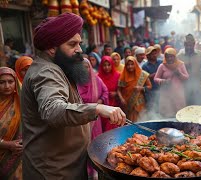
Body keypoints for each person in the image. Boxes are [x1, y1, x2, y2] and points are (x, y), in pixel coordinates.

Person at [21, 13, 126, 179]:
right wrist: (97, 108)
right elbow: (53, 110)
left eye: (80, 43)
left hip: (67, 166)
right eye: (72, 44)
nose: (80, 50)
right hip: (53, 172)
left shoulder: (59, 67)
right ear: (52, 47)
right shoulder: (46, 72)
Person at [76, 58, 109, 179]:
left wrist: (98, 104)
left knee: (95, 144)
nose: (84, 69)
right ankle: (85, 170)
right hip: (80, 120)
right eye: (81, 66)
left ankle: (96, 169)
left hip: (95, 119)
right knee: (83, 145)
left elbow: (105, 92)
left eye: (86, 66)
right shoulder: (74, 82)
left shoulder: (96, 80)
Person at [0, 67, 22, 180]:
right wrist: (7, 144)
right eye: (2, 82)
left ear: (16, 82)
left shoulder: (22, 102)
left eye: (10, 81)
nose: (7, 86)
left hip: (19, 156)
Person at [154, 48, 189, 118]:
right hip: (166, 94)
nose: (169, 59)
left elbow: (186, 77)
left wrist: (179, 74)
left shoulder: (180, 65)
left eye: (171, 56)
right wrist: (163, 81)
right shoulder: (162, 66)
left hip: (178, 94)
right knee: (167, 115)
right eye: (167, 57)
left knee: (179, 115)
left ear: (175, 56)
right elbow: (155, 78)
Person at [118, 56, 152, 122]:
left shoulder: (142, 74)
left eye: (132, 64)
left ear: (135, 64)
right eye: (128, 65)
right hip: (128, 103)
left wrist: (141, 88)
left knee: (142, 119)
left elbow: (150, 86)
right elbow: (119, 89)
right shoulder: (123, 75)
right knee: (131, 121)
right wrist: (121, 98)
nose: (130, 66)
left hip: (140, 102)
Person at [177, 34, 201, 105]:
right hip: (184, 84)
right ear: (184, 44)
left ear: (194, 44)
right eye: (187, 45)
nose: (189, 47)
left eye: (191, 45)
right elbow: (175, 70)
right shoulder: (179, 56)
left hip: (197, 83)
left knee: (197, 103)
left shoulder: (200, 54)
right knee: (187, 104)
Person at [98, 56, 121, 131]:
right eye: (104, 65)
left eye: (109, 65)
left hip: (114, 103)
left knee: (113, 125)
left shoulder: (117, 75)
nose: (107, 67)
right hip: (103, 104)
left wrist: (116, 93)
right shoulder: (97, 77)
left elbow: (121, 90)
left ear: (112, 65)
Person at [142, 46, 163, 119]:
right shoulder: (145, 66)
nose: (154, 55)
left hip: (160, 88)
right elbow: (144, 78)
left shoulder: (160, 62)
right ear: (148, 55)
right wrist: (153, 75)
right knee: (151, 107)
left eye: (155, 53)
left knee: (161, 107)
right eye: (152, 54)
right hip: (150, 90)